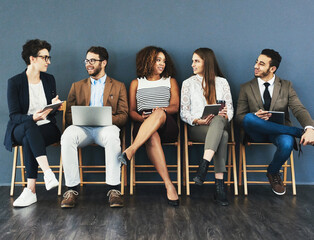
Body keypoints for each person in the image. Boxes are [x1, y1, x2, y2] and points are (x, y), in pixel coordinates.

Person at [236, 49, 314, 195]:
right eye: (256, 62)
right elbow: (239, 117)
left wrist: (310, 128)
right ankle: (298, 132)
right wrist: (255, 115)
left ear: (272, 69)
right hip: (256, 132)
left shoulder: (286, 86)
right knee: (248, 118)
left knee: (287, 143)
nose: (256, 66)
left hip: (279, 133)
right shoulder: (246, 87)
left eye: (261, 63)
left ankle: (273, 172)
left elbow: (299, 109)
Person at [60, 46, 128, 208]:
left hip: (106, 128)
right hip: (82, 128)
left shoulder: (118, 86)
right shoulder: (77, 86)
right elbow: (68, 114)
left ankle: (113, 190)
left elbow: (124, 115)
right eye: (87, 60)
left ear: (103, 63)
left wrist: (105, 117)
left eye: (92, 60)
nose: (88, 64)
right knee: (67, 135)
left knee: (113, 136)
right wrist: (80, 117)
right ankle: (71, 189)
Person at [118, 46, 180, 206]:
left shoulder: (170, 81)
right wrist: (141, 117)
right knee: (151, 135)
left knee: (158, 113)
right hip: (144, 124)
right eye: (158, 60)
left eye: (164, 61)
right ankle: (169, 185)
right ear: (148, 61)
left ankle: (131, 149)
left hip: (167, 123)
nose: (162, 64)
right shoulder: (136, 83)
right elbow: (131, 111)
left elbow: (175, 106)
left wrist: (160, 111)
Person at [4, 39, 62, 207]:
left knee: (31, 135)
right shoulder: (14, 82)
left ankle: (31, 191)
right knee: (30, 127)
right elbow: (14, 116)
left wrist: (55, 105)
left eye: (48, 57)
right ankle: (47, 172)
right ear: (32, 59)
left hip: (47, 128)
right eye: (45, 58)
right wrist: (32, 118)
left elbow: (50, 109)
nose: (48, 62)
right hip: (20, 128)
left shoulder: (49, 79)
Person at [180, 48, 233, 206]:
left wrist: (224, 114)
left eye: (196, 61)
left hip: (220, 123)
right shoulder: (188, 83)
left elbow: (230, 109)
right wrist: (198, 120)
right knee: (222, 136)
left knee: (218, 120)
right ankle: (219, 187)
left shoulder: (222, 82)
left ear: (207, 62)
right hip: (199, 128)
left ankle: (204, 165)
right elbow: (184, 112)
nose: (192, 64)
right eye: (192, 61)